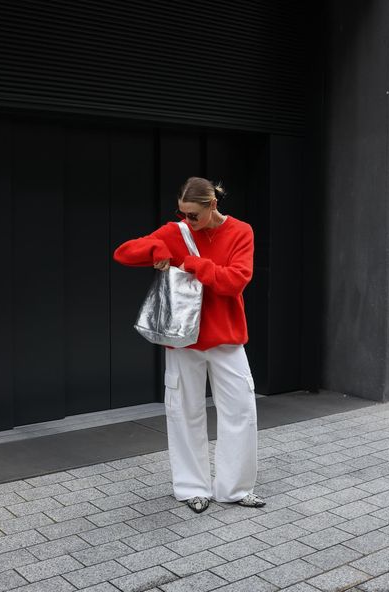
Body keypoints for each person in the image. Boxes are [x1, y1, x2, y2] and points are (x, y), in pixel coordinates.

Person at [113, 176, 265, 513]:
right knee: (184, 411)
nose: (188, 221)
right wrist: (158, 250)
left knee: (240, 410)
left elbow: (234, 281)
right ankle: (192, 488)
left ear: (213, 205)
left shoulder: (241, 231)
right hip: (183, 338)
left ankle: (235, 489)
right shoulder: (176, 231)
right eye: (183, 213)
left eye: (193, 215)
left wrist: (190, 263)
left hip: (226, 338)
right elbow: (123, 253)